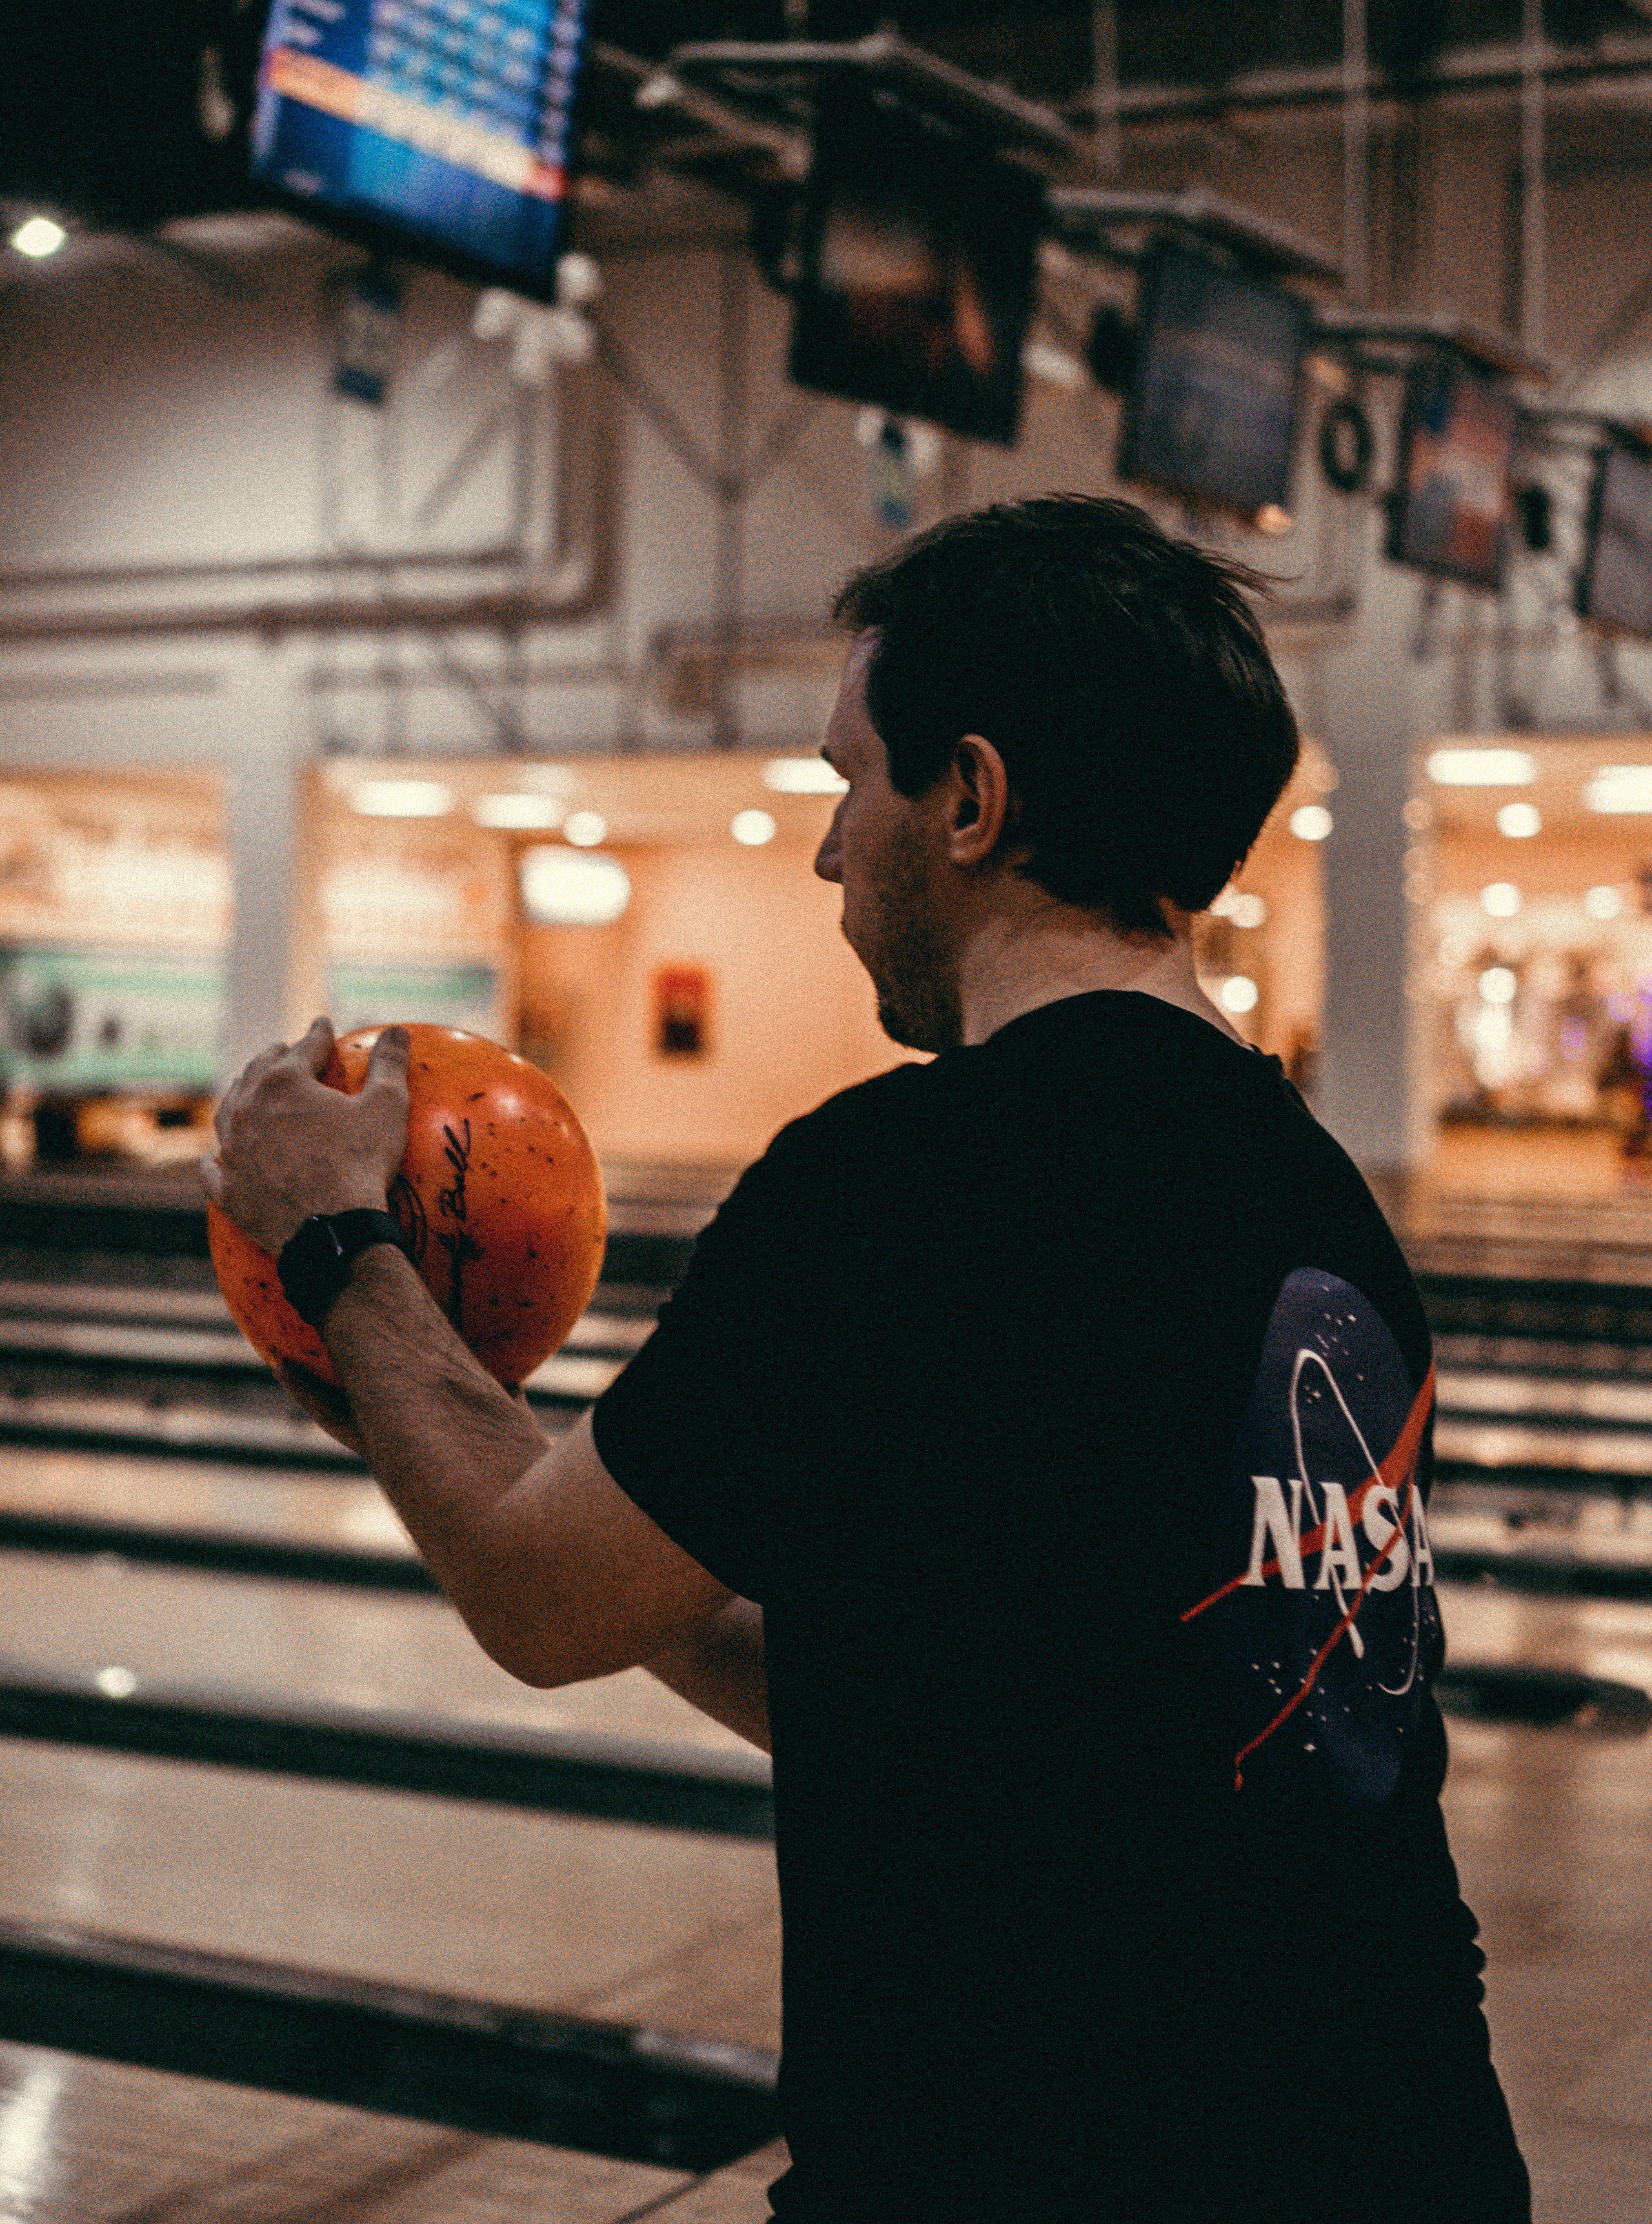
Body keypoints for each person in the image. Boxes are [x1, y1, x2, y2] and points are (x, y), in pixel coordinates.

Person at [206, 494, 1530, 2224]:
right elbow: (935, 1686)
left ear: (971, 800)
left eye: (852, 781)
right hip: (1402, 2145)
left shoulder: (903, 1182)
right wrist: (482, 1439)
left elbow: (535, 1607)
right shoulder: (1317, 1201)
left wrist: (338, 1249)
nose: (832, 851)